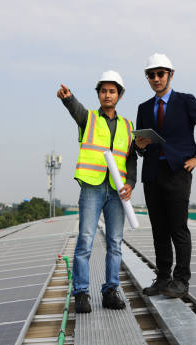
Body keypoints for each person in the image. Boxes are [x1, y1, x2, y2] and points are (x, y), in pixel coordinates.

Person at [135, 53, 196, 298]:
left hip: (177, 173)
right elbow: (140, 146)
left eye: (161, 74)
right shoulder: (144, 108)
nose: (156, 78)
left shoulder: (185, 101)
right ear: (147, 78)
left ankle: (181, 280)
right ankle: (163, 278)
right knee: (158, 229)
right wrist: (138, 146)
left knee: (177, 228)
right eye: (152, 75)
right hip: (152, 173)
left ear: (170, 75)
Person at [57, 70, 137, 313]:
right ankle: (81, 293)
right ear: (99, 94)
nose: (107, 95)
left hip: (116, 191)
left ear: (119, 96)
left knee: (115, 242)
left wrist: (131, 183)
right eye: (103, 91)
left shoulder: (127, 125)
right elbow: (76, 109)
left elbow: (131, 159)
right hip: (92, 187)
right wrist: (68, 98)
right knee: (85, 241)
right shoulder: (88, 118)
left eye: (112, 91)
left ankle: (110, 291)